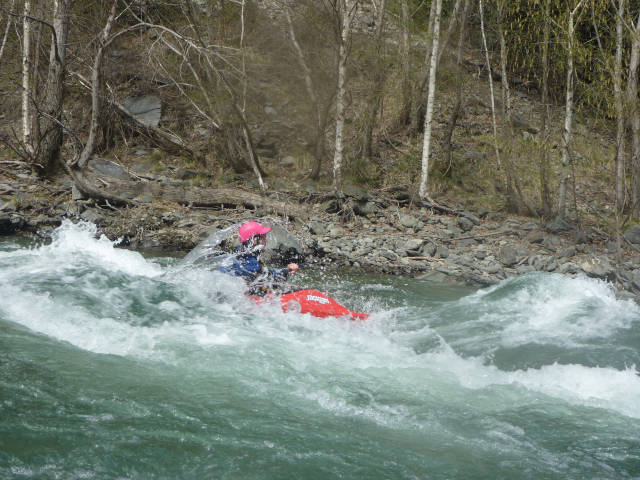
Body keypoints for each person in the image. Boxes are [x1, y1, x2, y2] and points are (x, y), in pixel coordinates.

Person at [219, 221, 299, 294]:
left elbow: (264, 273)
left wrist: (285, 270)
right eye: (263, 237)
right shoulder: (249, 261)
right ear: (254, 240)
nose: (266, 240)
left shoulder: (242, 253)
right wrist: (286, 271)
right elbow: (267, 277)